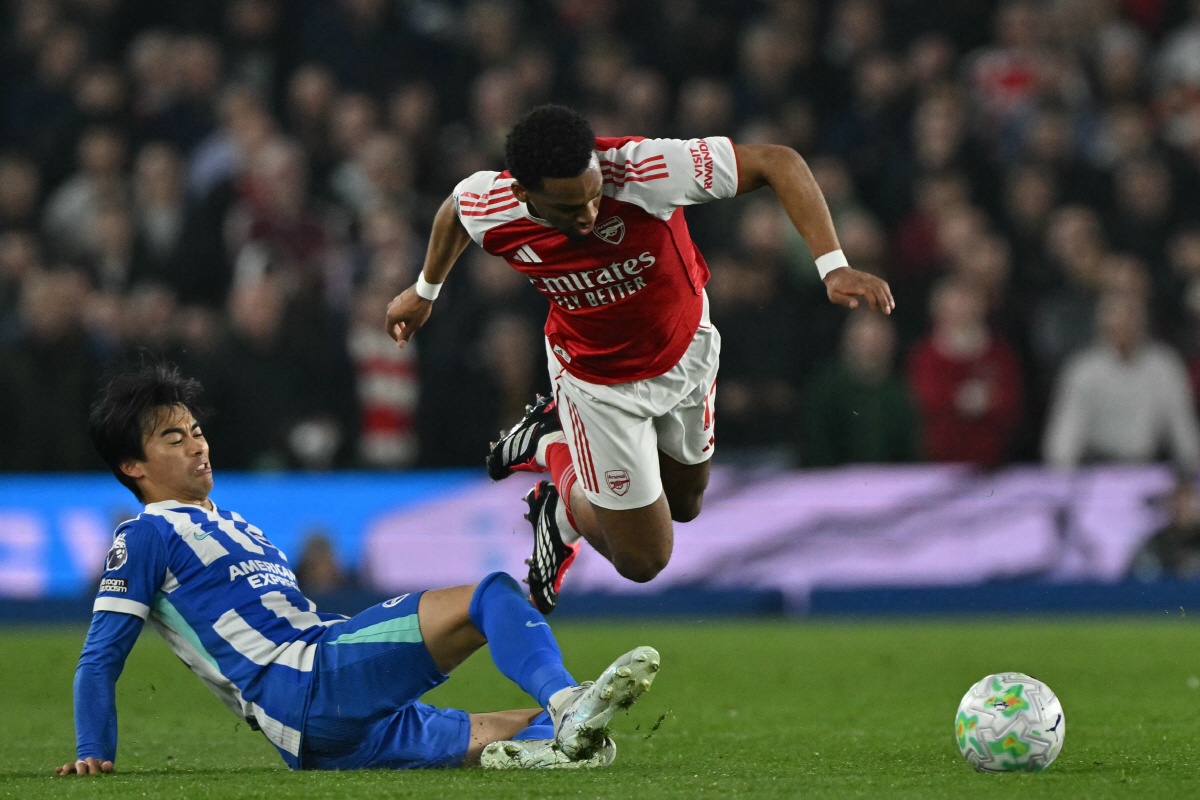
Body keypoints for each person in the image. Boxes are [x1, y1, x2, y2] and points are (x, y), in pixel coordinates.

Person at [384, 104, 894, 612]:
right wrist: (425, 291)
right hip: (595, 384)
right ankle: (553, 453)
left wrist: (833, 266)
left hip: (685, 352)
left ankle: (561, 472)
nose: (589, 215)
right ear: (523, 194)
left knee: (686, 504)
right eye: (569, 207)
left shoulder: (644, 169)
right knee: (645, 559)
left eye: (593, 196)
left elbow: (777, 161)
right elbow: (456, 211)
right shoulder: (496, 203)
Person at [57, 364, 660, 776]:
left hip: (324, 736)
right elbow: (100, 656)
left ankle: (558, 739)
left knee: (538, 730)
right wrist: (94, 751)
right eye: (173, 439)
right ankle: (567, 698)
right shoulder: (145, 535)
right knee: (493, 595)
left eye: (196, 431)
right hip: (312, 681)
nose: (197, 445)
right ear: (133, 466)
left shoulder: (234, 524)